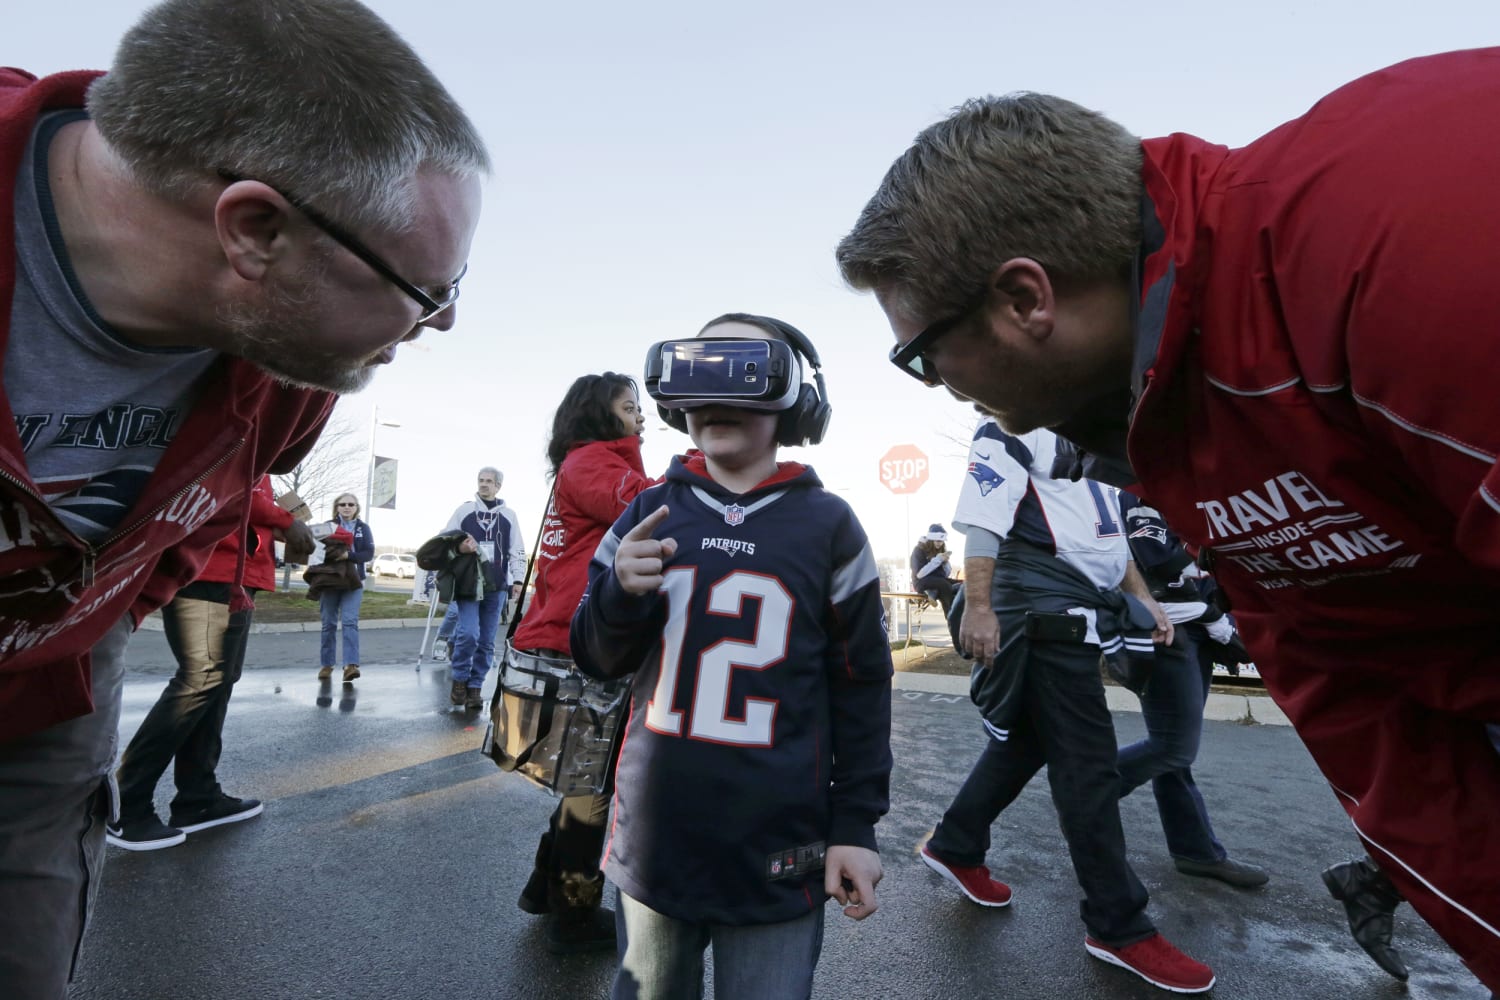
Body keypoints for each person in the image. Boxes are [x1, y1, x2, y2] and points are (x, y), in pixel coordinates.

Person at [836, 54, 1500, 989]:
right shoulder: (1162, 408)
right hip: (1068, 605)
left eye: (924, 356)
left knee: (1083, 748)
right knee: (1071, 744)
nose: (946, 391)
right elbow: (1352, 689)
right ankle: (1035, 878)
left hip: (1071, 603)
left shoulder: (1402, 238)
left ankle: (1044, 880)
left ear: (1024, 299)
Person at [0, 1, 486, 994]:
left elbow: (215, 503)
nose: (444, 321)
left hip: (41, 719)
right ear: (256, 229)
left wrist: (89, 615)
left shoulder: (294, 368)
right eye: (428, 290)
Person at [571, 313, 892, 1000]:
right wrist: (618, 595)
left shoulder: (830, 526)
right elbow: (596, 659)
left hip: (780, 846)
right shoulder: (646, 513)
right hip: (656, 843)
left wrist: (855, 824)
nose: (718, 395)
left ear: (798, 400)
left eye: (746, 370)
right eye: (700, 370)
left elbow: (862, 685)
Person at [918, 417, 1212, 994]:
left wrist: (1143, 599)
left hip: (1077, 607)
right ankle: (1117, 926)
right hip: (1041, 608)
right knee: (1089, 769)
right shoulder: (1013, 422)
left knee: (1026, 741)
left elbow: (1108, 539)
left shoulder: (1094, 435)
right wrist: (978, 606)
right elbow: (982, 518)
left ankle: (955, 843)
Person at [504, 372, 655, 954]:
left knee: (587, 776)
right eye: (629, 406)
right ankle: (573, 905)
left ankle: (547, 887)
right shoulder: (594, 462)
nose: (640, 415)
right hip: (578, 638)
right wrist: (704, 463)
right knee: (590, 781)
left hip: (582, 634)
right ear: (599, 413)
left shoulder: (595, 460)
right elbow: (649, 506)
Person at [107, 476, 311, 851]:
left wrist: (280, 524)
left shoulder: (261, 443)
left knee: (217, 682)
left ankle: (198, 799)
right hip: (205, 567)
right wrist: (285, 519)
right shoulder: (239, 423)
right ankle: (125, 803)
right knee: (201, 678)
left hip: (233, 573)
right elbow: (222, 485)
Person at [1114, 493, 1268, 889]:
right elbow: (1160, 565)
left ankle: (1196, 853)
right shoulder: (1139, 490)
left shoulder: (1181, 487)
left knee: (1174, 755)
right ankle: (1083, 791)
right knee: (1172, 747)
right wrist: (1212, 613)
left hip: (1195, 628)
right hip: (1167, 629)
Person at [442, 467, 525, 709]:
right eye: (481, 480)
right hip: (468, 584)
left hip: (496, 586)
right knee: (468, 634)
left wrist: (518, 581)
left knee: (487, 641)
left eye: (489, 481)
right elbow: (444, 539)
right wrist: (460, 549)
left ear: (498, 485)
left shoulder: (509, 515)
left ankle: (475, 687)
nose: (484, 485)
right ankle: (459, 679)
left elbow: (517, 549)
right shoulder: (465, 511)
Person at [316, 493, 373, 682]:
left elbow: (368, 553)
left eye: (351, 504)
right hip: (330, 580)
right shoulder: (327, 526)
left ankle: (350, 665)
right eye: (343, 504)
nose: (347, 507)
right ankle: (326, 665)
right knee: (328, 624)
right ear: (337, 507)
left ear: (357, 507)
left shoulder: (363, 528)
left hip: (354, 581)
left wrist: (348, 557)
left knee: (349, 622)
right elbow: (315, 550)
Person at [909, 523, 958, 615]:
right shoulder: (919, 550)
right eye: (937, 541)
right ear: (931, 539)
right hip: (921, 581)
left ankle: (956, 616)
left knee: (960, 584)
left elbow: (945, 574)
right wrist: (938, 560)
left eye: (942, 541)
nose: (940, 543)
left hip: (937, 580)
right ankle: (952, 618)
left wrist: (945, 563)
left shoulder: (940, 550)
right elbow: (919, 574)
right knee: (944, 585)